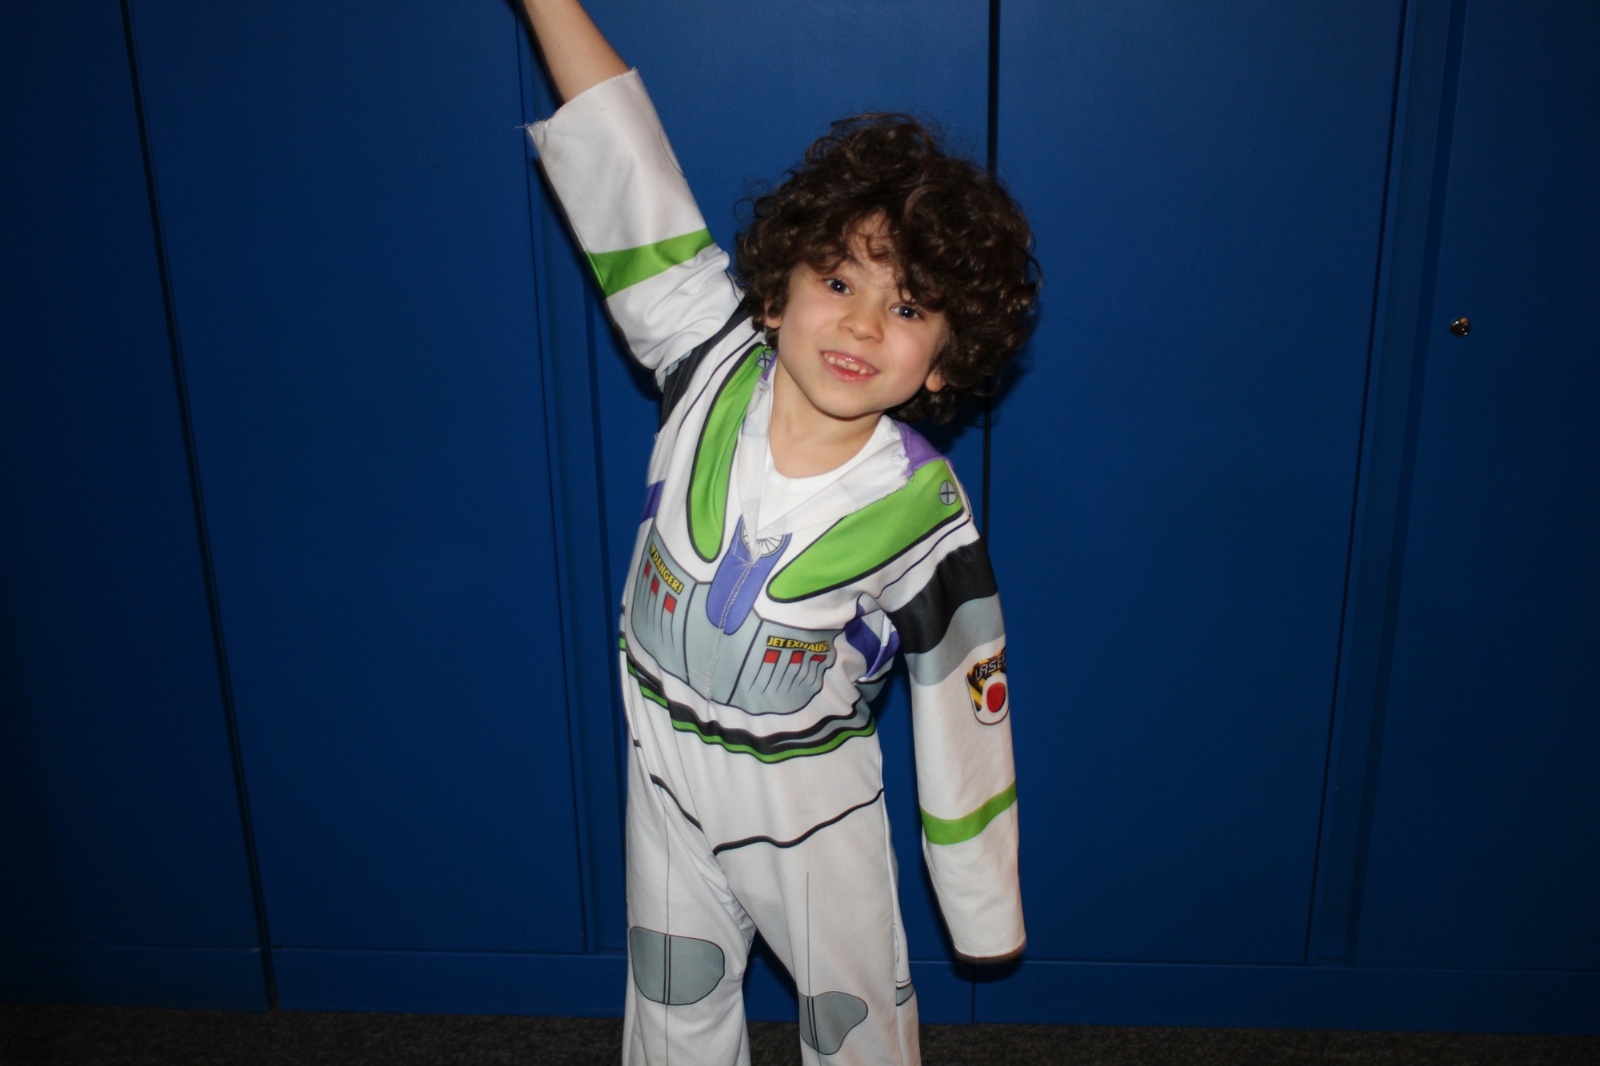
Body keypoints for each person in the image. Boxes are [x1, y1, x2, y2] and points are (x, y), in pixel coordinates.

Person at [517, 2, 1037, 1063]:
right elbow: (625, 162)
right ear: (773, 293)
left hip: (808, 808)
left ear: (945, 362)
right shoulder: (705, 353)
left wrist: (980, 900)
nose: (860, 323)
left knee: (855, 1024)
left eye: (907, 309)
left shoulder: (922, 512)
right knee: (673, 997)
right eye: (838, 281)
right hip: (666, 767)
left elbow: (964, 706)